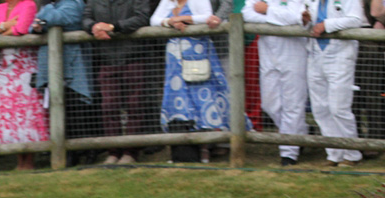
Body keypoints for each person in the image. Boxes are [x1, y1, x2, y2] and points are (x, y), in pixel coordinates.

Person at [151, 0, 236, 162]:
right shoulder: (167, 2)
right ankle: (183, 149)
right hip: (175, 62)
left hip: (199, 55)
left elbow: (207, 16)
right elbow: (154, 20)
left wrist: (185, 19)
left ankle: (206, 148)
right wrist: (170, 21)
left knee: (203, 100)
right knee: (180, 102)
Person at [0, 0, 47, 171]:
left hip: (25, 67)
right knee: (9, 114)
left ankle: (29, 161)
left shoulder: (29, 4)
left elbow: (21, 29)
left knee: (27, 112)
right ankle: (19, 161)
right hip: (4, 70)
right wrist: (6, 25)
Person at [82, 0, 151, 164]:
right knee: (109, 106)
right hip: (106, 59)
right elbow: (85, 17)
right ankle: (113, 152)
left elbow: (142, 18)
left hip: (133, 57)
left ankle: (131, 152)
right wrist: (94, 27)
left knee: (135, 105)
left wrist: (113, 27)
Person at [242, 0, 307, 165]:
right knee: (270, 104)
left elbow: (298, 18)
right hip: (268, 52)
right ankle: (301, 133)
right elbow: (246, 14)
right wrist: (278, 18)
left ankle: (289, 152)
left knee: (293, 104)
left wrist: (267, 11)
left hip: (294, 51)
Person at [305, 0, 367, 166]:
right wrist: (305, 20)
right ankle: (334, 154)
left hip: (340, 56)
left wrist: (326, 24)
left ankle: (352, 154)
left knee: (339, 108)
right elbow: (308, 21)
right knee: (320, 109)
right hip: (315, 54)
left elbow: (355, 19)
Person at [34, 0, 94, 166]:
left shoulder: (74, 3)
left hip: (73, 66)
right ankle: (69, 155)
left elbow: (62, 17)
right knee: (60, 110)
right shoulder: (52, 6)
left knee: (77, 111)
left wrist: (44, 16)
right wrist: (40, 23)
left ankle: (87, 152)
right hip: (54, 68)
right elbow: (34, 27)